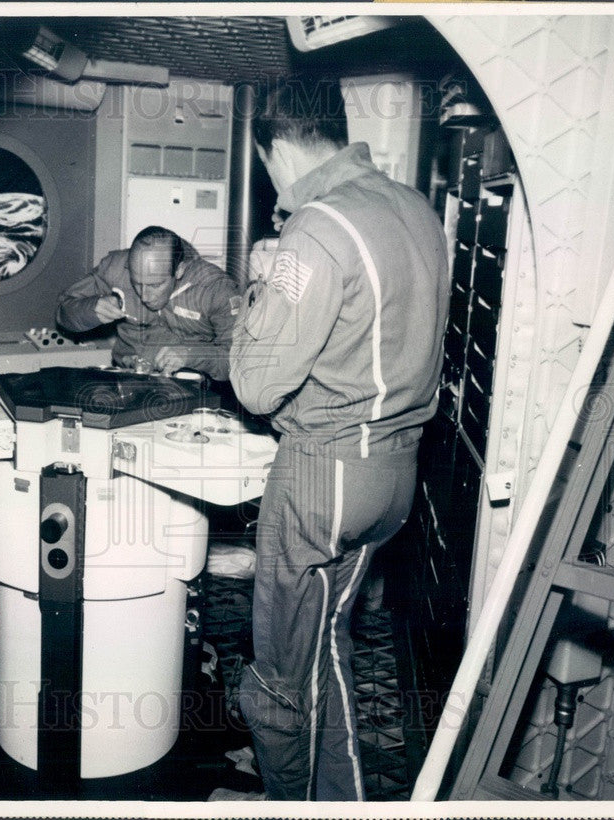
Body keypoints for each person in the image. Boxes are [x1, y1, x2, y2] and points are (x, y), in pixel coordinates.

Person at [229, 79, 450, 800]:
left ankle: (305, 800)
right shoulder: (412, 206)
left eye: (266, 164)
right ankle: (313, 788)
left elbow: (258, 386)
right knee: (326, 641)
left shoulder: (318, 226)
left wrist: (261, 287)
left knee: (289, 674)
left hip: (324, 474)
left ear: (278, 146)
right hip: (395, 474)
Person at [56, 226, 240, 380]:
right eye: (136, 283)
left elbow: (238, 360)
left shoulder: (215, 289)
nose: (145, 296)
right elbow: (63, 310)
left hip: (192, 387)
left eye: (155, 285)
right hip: (128, 378)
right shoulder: (115, 268)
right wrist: (90, 309)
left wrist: (192, 355)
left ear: (179, 270)